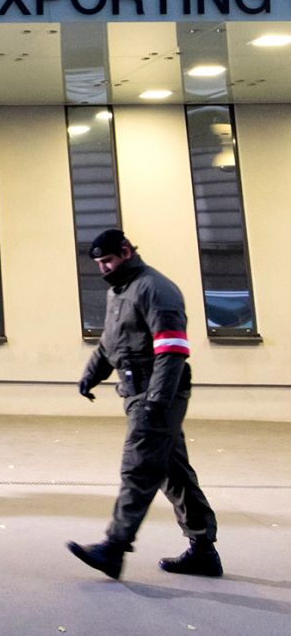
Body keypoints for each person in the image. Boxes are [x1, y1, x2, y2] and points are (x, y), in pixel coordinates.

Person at [66, 228, 221, 580]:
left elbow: (172, 349)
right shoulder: (119, 293)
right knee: (172, 471)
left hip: (156, 394)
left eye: (108, 260)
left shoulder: (155, 288)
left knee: (138, 467)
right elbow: (110, 344)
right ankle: (203, 551)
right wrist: (91, 375)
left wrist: (157, 401)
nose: (103, 268)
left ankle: (114, 548)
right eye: (99, 263)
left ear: (125, 251)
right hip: (138, 391)